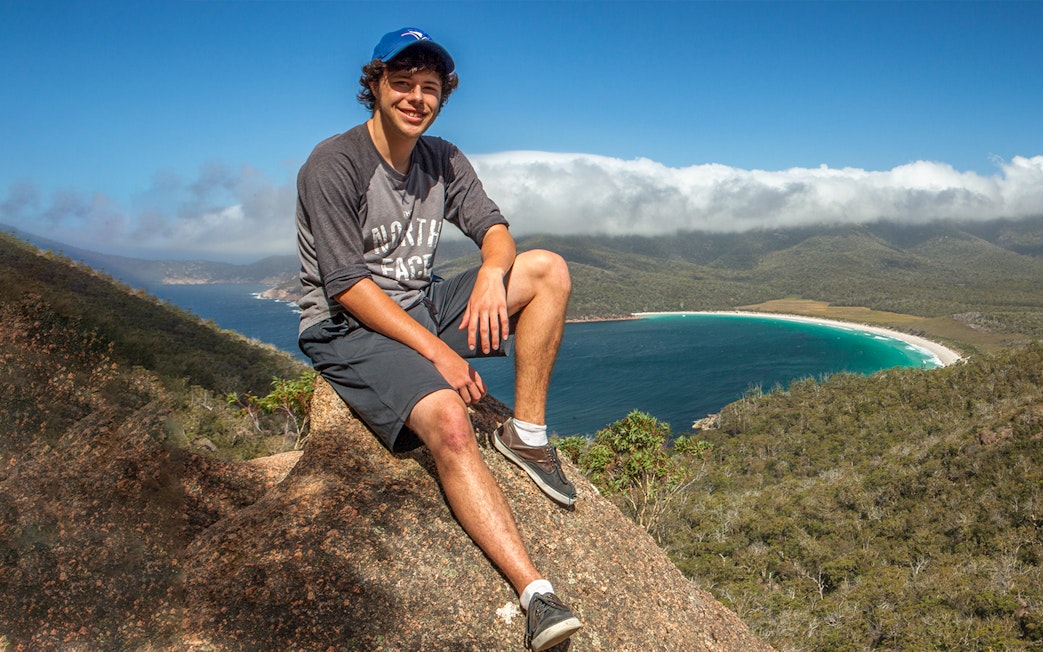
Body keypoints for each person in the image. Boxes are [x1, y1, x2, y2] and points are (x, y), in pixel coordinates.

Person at [295, 27, 582, 651]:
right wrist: (440, 351)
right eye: (402, 83)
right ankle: (537, 595)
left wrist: (489, 271)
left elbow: (495, 228)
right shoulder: (334, 162)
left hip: (418, 306)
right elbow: (345, 284)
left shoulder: (442, 158)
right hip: (346, 325)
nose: (416, 98)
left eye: (430, 88)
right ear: (374, 86)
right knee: (450, 420)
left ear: (442, 96)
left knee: (546, 269)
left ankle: (526, 436)